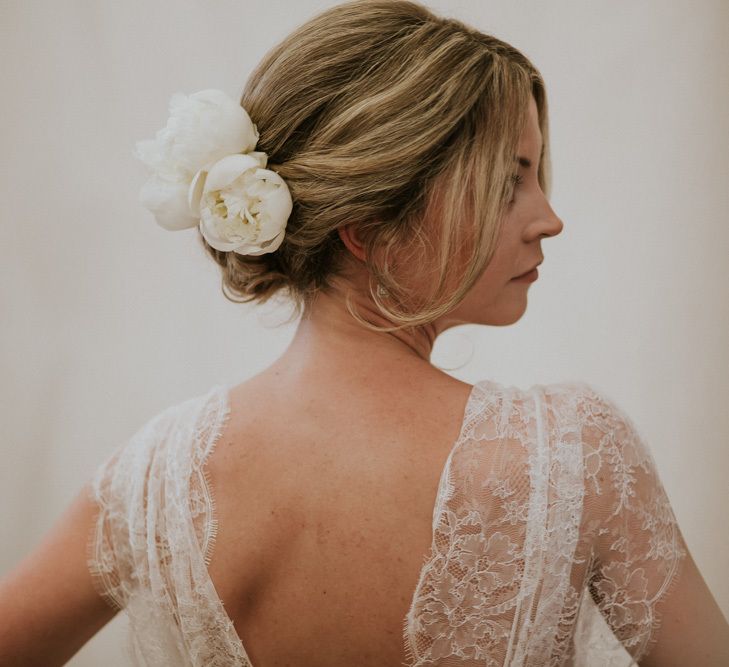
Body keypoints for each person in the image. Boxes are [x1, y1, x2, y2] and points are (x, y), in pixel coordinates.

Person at [1, 1, 727, 665]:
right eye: (509, 181)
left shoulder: (155, 478)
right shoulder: (572, 455)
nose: (548, 217)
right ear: (367, 226)